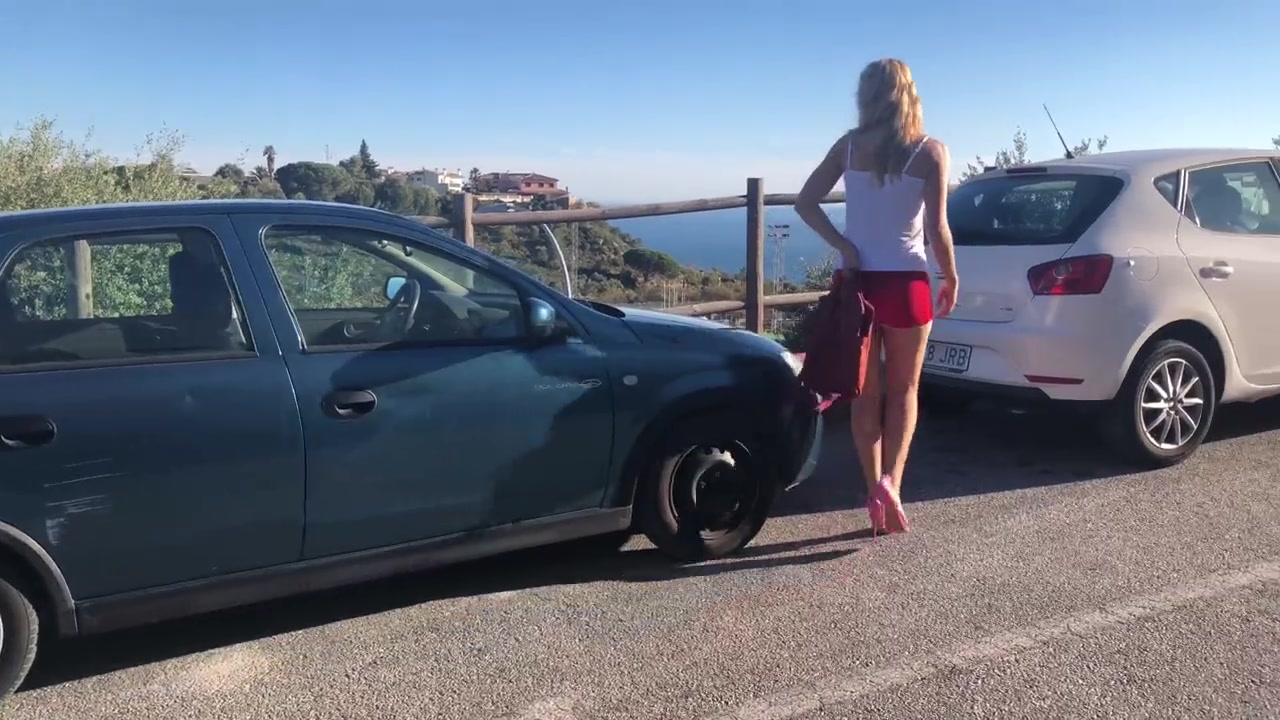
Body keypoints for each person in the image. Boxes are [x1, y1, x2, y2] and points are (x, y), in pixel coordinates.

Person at [793, 58, 959, 536]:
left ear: (866, 96)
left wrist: (844, 246)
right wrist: (950, 276)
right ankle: (893, 483)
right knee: (905, 390)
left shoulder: (847, 146)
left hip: (857, 284)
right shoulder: (930, 152)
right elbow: (937, 228)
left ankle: (872, 490)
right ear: (909, 93)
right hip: (907, 285)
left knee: (865, 393)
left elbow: (805, 203)